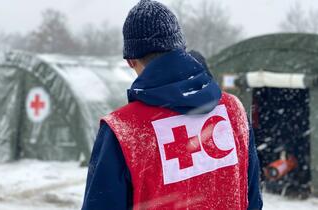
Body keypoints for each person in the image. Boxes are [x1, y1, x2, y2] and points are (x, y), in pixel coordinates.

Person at [81, 0, 263, 209]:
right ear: (181, 48)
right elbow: (253, 200)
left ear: (131, 61)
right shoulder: (233, 111)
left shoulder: (123, 130)